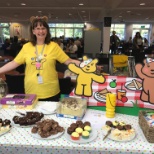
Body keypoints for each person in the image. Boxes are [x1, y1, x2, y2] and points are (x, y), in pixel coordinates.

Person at [0, 16, 81, 102]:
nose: (41, 31)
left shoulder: (53, 46)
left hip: (51, 90)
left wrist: (85, 64)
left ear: (47, 30)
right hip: (31, 90)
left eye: (43, 28)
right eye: (38, 28)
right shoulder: (26, 47)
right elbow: (13, 63)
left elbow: (69, 61)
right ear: (33, 31)